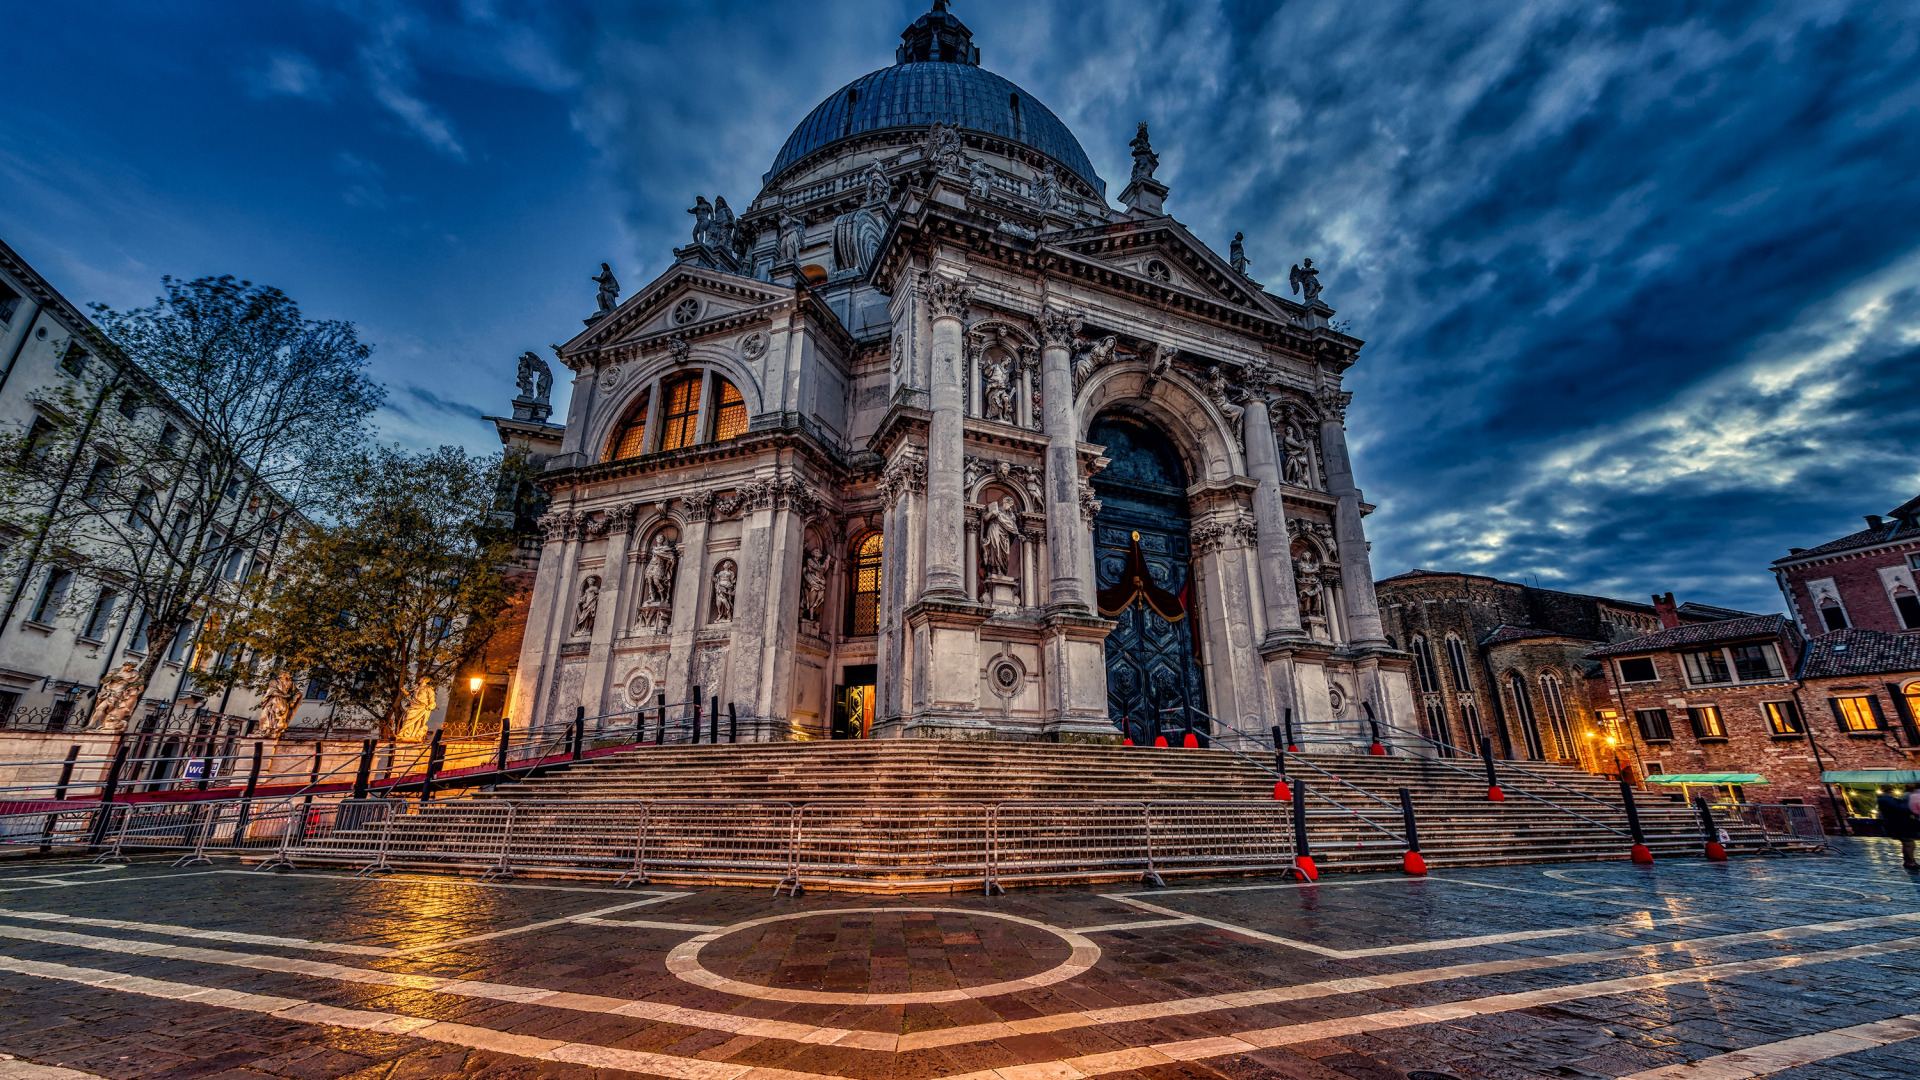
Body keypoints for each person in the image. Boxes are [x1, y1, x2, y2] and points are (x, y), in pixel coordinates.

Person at [1876, 784, 1920, 870]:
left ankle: (1910, 861)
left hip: (1897, 825)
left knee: (1909, 843)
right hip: (1897, 825)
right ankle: (1909, 862)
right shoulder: (1886, 798)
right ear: (1890, 790)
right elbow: (1900, 807)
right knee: (1908, 844)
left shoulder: (1886, 798)